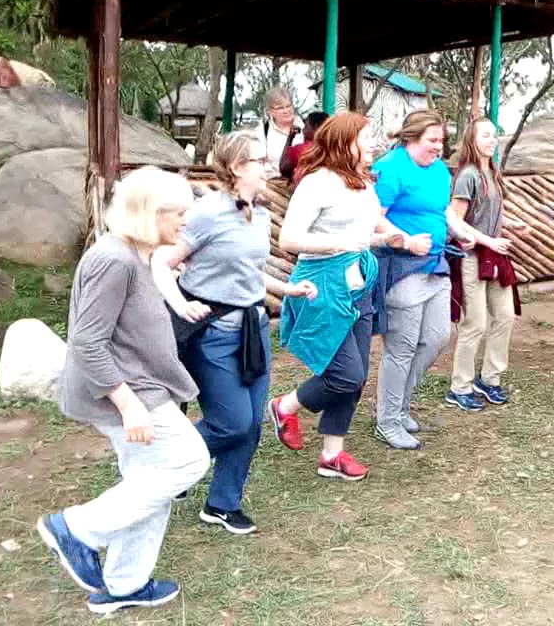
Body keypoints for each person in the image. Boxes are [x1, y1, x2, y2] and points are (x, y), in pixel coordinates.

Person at [36, 167, 209, 614]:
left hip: (140, 386)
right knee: (189, 460)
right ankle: (77, 529)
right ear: (150, 213)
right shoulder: (111, 259)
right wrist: (129, 405)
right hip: (128, 393)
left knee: (148, 483)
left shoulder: (135, 254)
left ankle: (124, 585)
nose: (185, 222)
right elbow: (87, 341)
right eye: (178, 214)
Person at [150, 132, 314, 535]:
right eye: (259, 160)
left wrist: (287, 289)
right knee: (233, 422)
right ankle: (162, 468)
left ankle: (222, 504)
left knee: (253, 422)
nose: (268, 165)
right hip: (212, 335)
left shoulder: (256, 212)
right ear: (238, 167)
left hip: (253, 330)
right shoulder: (207, 212)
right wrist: (180, 303)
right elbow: (160, 261)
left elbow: (246, 269)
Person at [267, 112, 406, 477]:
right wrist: (338, 243)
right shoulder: (317, 183)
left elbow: (364, 233)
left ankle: (332, 454)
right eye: (366, 137)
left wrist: (390, 237)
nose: (373, 143)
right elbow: (289, 239)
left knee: (355, 378)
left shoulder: (361, 183)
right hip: (323, 288)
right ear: (344, 142)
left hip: (359, 288)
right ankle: (285, 407)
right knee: (345, 375)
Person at [370, 110, 483, 449]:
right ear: (411, 138)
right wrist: (405, 240)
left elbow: (443, 211)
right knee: (401, 347)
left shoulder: (437, 170)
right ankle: (388, 420)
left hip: (436, 264)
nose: (439, 146)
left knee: (436, 338)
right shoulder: (390, 168)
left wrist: (461, 232)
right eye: (433, 140)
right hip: (401, 267)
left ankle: (400, 405)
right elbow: (373, 218)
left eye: (442, 140)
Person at [448, 117, 529, 407]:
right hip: (472, 256)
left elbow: (491, 214)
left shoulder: (492, 173)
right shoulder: (468, 175)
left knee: (505, 316)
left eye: (494, 135)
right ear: (472, 139)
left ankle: (489, 379)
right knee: (475, 324)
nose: (491, 140)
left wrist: (513, 225)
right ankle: (460, 387)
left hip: (494, 253)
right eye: (485, 135)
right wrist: (489, 241)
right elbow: (455, 221)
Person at [258, 87, 304, 178]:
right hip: (275, 184)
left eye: (288, 106)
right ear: (270, 111)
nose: (286, 111)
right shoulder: (262, 132)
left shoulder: (306, 127)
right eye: (280, 108)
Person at [280, 111, 329, 186]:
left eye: (306, 126)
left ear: (315, 127)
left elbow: (283, 168)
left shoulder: (300, 150)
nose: (303, 131)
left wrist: (290, 138)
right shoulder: (334, 149)